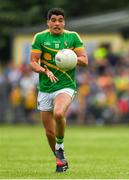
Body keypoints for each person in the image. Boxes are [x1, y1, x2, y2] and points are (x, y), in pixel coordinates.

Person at [30, 7, 88, 173]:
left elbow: (85, 60)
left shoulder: (72, 37)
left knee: (59, 113)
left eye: (60, 20)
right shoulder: (40, 37)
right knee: (49, 133)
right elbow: (33, 62)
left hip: (65, 86)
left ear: (64, 22)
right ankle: (60, 160)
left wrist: (71, 58)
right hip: (45, 88)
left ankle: (60, 147)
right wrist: (43, 70)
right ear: (48, 22)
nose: (57, 23)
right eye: (53, 20)